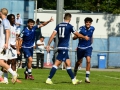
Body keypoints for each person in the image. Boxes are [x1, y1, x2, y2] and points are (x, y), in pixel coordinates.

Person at [45, 13, 89, 85]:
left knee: (68, 63)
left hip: (60, 47)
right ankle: (49, 79)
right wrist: (84, 37)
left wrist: (48, 44)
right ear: (70, 18)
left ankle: (73, 80)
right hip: (64, 47)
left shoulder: (58, 25)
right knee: (57, 63)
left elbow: (53, 35)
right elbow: (77, 34)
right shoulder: (70, 26)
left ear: (64, 18)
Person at [73, 17, 95, 83]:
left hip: (88, 47)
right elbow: (74, 37)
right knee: (79, 62)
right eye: (87, 22)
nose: (88, 23)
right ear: (85, 23)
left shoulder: (92, 28)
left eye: (89, 22)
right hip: (80, 48)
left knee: (88, 60)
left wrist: (91, 42)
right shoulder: (81, 29)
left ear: (91, 23)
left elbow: (91, 36)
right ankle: (75, 73)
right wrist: (80, 36)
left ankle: (87, 77)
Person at [2, 14, 22, 84]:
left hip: (13, 47)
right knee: (6, 63)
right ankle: (5, 78)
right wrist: (10, 45)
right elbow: (5, 38)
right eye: (12, 19)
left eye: (14, 19)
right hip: (8, 47)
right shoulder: (8, 26)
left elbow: (15, 38)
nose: (14, 20)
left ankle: (14, 77)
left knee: (13, 62)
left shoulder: (14, 27)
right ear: (9, 19)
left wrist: (17, 48)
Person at [0, 8, 17, 84]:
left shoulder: (5, 21)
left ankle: (13, 73)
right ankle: (4, 80)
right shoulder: (5, 21)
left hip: (3, 45)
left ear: (1, 13)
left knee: (1, 62)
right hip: (3, 44)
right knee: (3, 62)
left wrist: (6, 43)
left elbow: (7, 31)